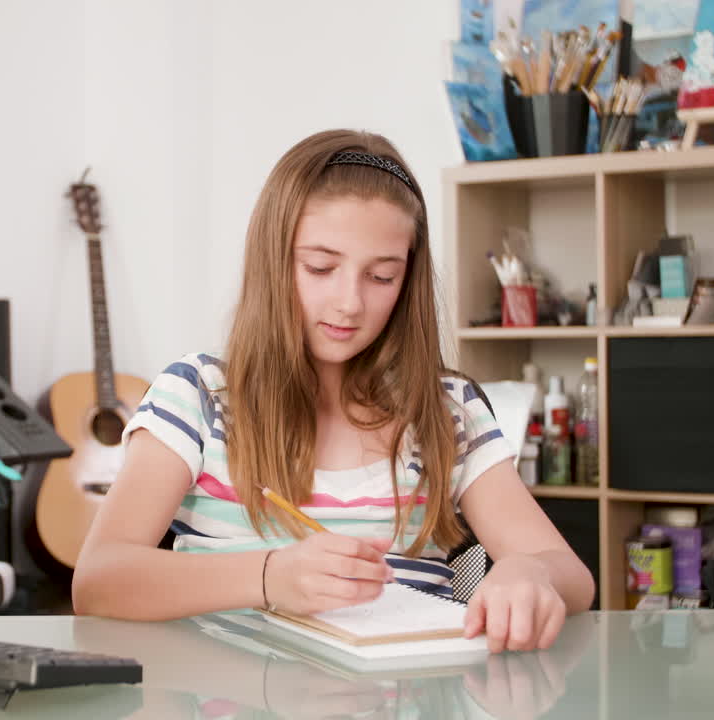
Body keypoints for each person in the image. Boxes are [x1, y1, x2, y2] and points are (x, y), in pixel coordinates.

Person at [72, 129, 594, 652]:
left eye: (382, 276)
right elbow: (99, 579)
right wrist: (269, 577)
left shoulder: (446, 409)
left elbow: (571, 575)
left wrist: (529, 574)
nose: (349, 303)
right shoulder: (199, 396)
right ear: (274, 261)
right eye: (320, 268)